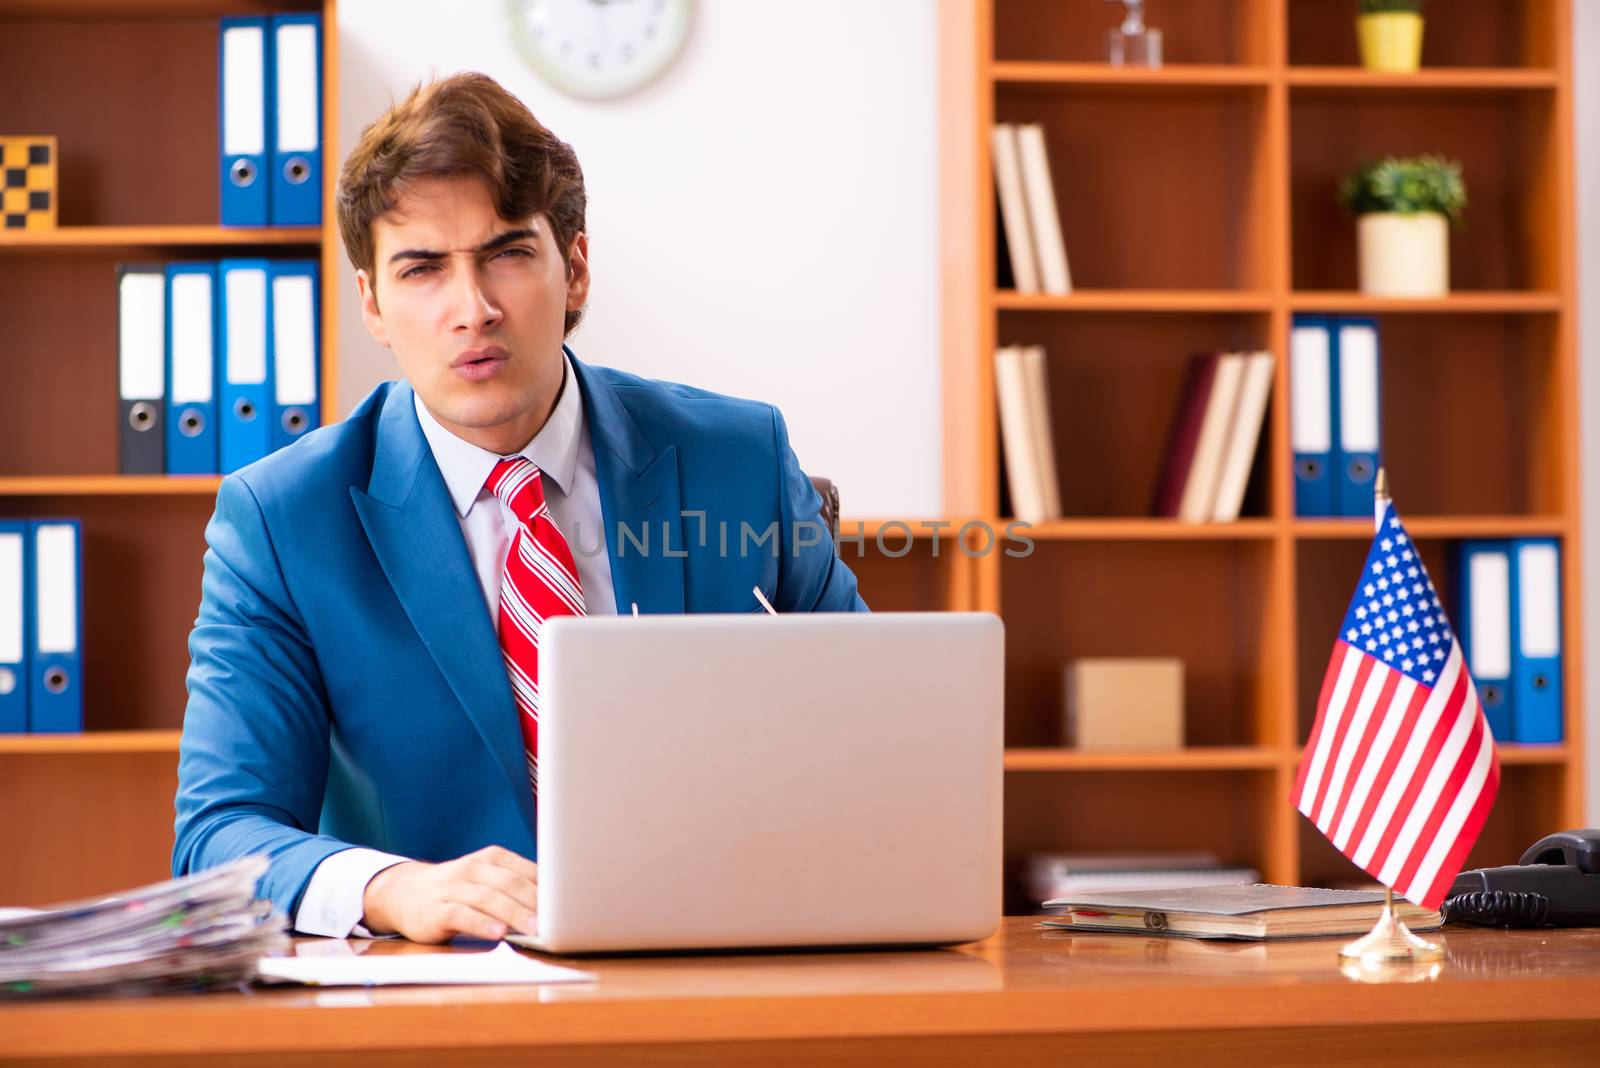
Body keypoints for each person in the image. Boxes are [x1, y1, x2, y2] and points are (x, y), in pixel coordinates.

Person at [172, 72, 866, 945]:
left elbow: (871, 740)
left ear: (573, 268)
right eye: (423, 269)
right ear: (373, 304)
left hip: (722, 964)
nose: (475, 309)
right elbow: (217, 836)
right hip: (437, 1000)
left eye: (506, 253)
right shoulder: (281, 519)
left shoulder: (742, 460)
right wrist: (395, 889)